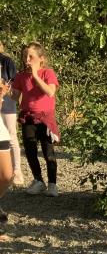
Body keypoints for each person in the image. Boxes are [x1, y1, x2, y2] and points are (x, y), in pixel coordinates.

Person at [10, 42, 59, 196]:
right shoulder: (20, 76)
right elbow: (15, 96)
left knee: (48, 152)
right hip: (28, 118)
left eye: (31, 56)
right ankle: (38, 181)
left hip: (45, 119)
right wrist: (5, 91)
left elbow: (50, 92)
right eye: (25, 56)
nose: (27, 59)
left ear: (41, 58)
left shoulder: (48, 73)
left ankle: (52, 184)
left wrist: (35, 75)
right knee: (30, 151)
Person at [0, 42, 22, 186]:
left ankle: (17, 171)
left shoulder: (6, 61)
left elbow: (15, 82)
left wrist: (4, 87)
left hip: (7, 102)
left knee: (11, 135)